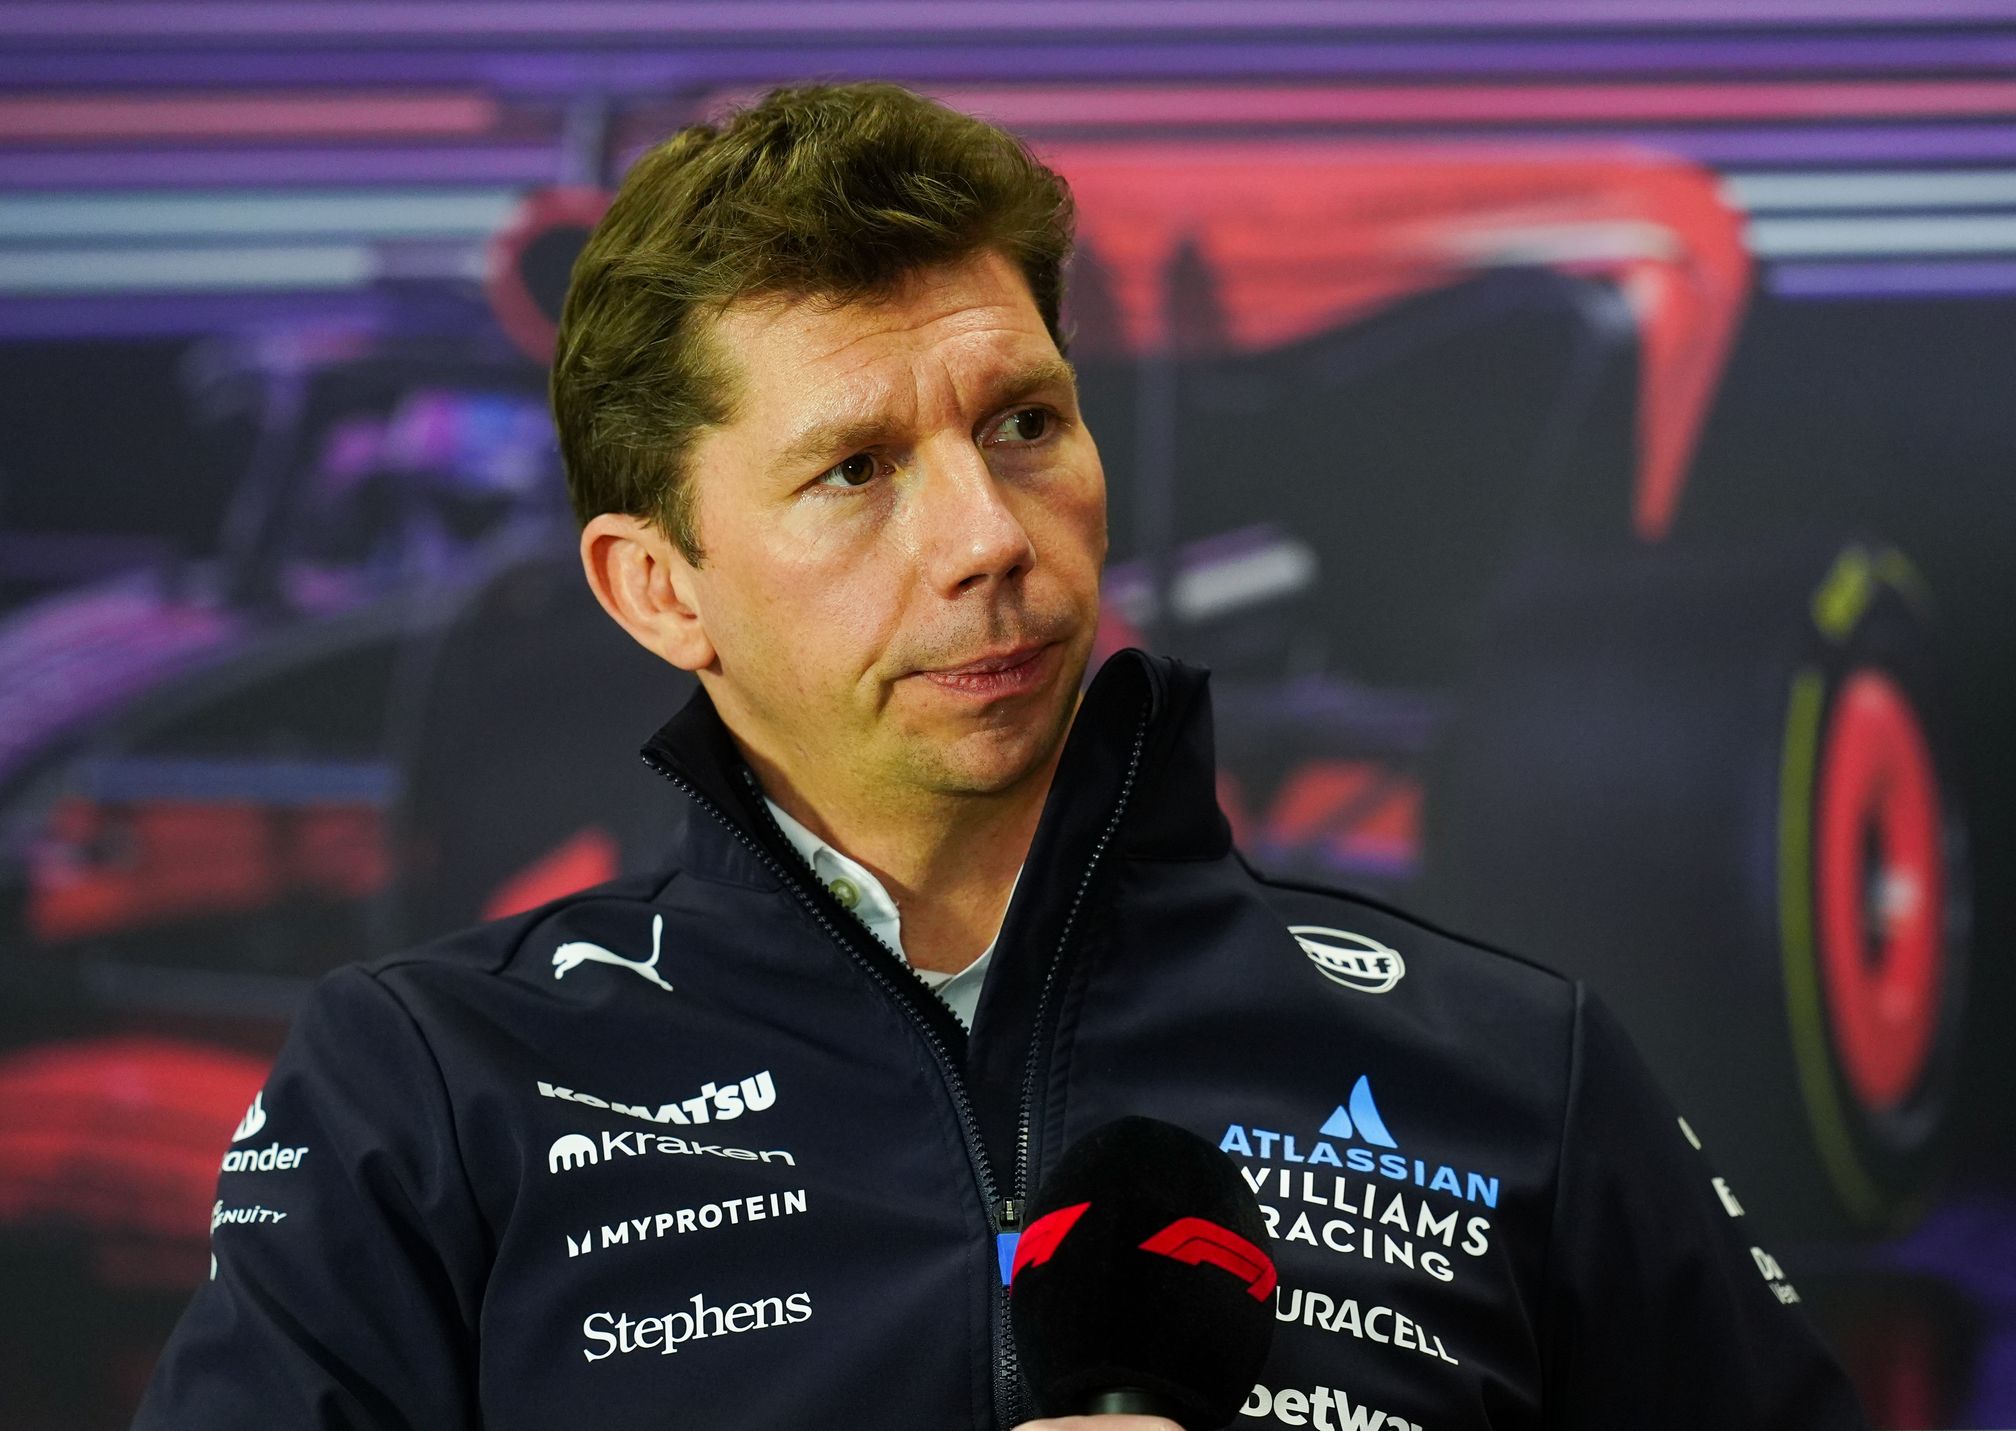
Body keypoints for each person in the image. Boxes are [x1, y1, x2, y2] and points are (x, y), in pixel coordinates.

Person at [135, 82, 1867, 1430]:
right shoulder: (427, 1091)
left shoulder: (1511, 1066)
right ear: (659, 588)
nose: (988, 536)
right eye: (856, 469)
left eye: (1025, 423)